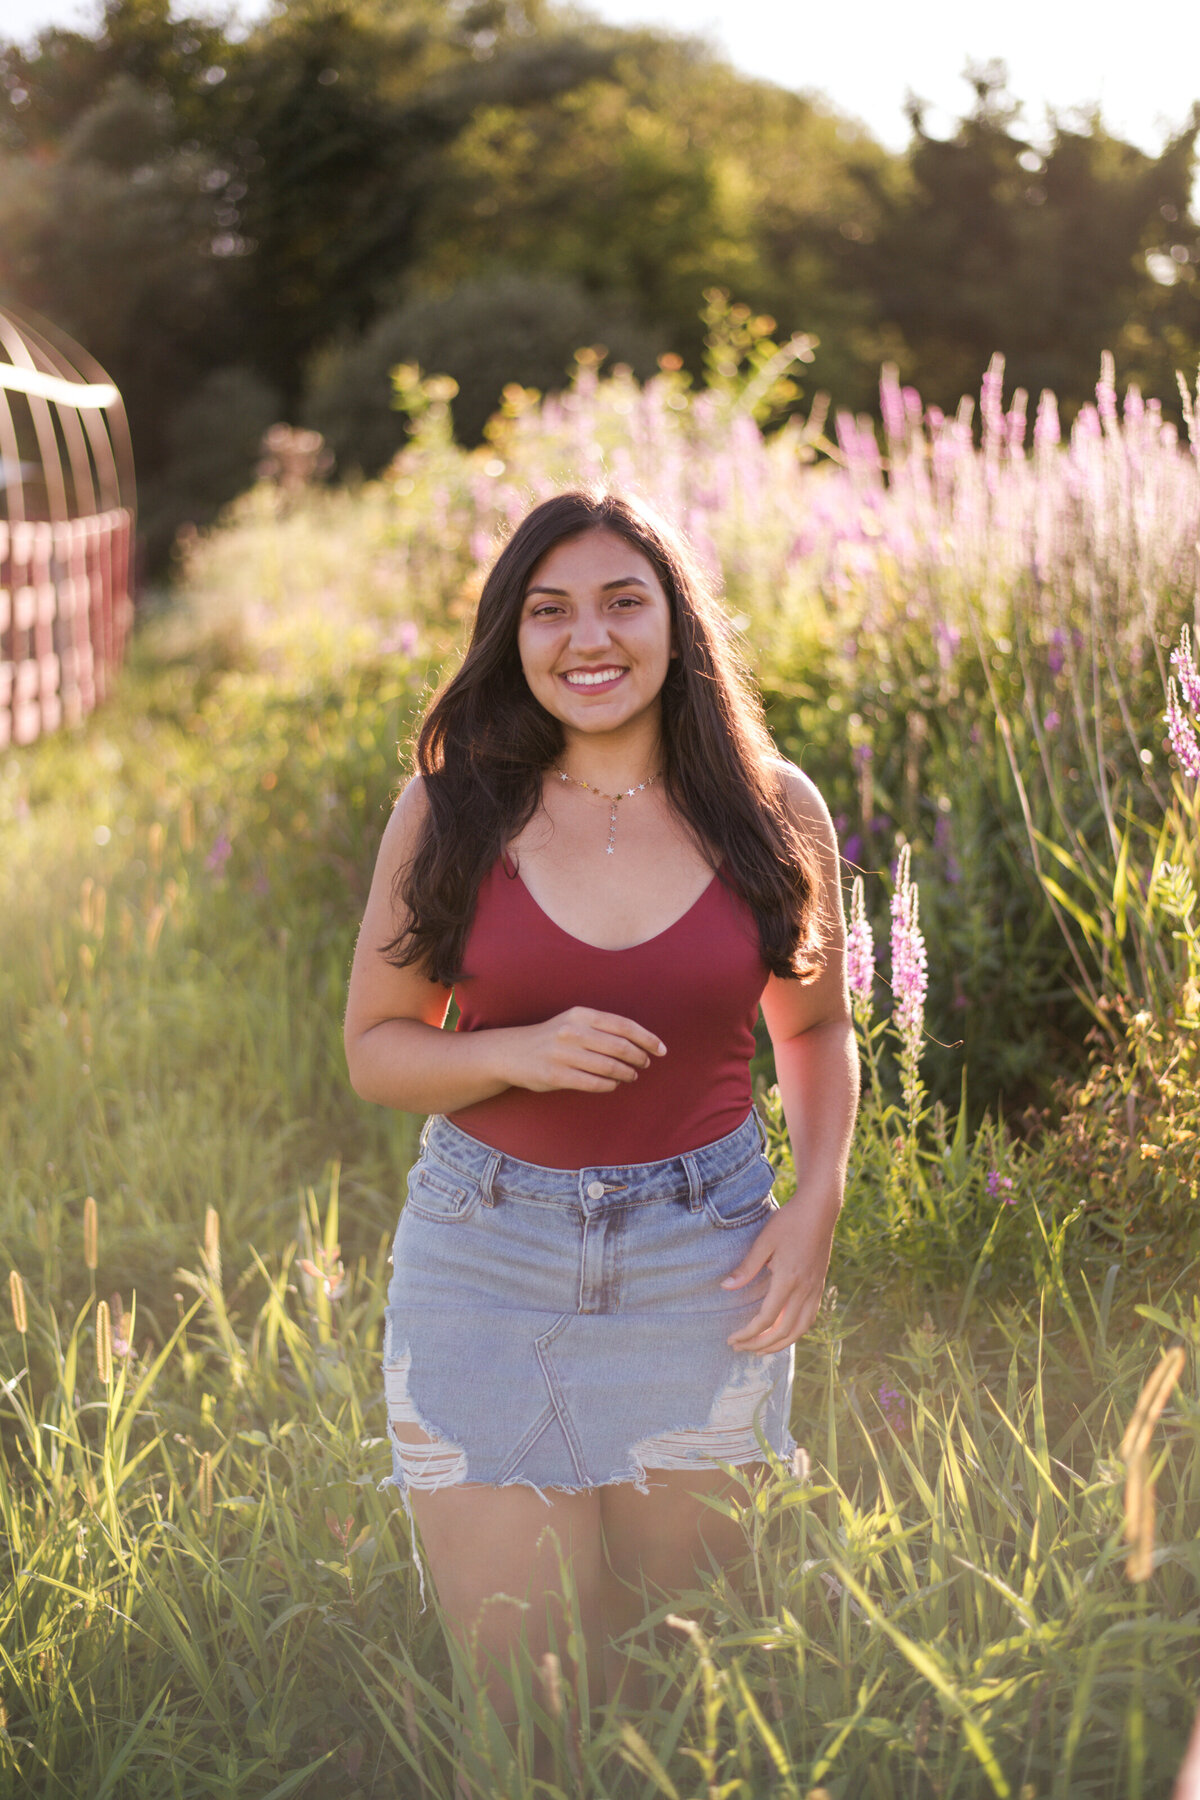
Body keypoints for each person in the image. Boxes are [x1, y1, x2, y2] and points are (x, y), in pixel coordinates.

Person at [343, 489, 858, 1755]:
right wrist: (518, 1051)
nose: (590, 637)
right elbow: (375, 1050)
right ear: (511, 639)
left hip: (708, 1259)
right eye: (549, 609)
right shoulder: (451, 811)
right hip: (485, 1263)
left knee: (692, 1689)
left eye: (624, 601)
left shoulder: (773, 808)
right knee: (530, 1717)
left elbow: (814, 1029)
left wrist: (819, 1195)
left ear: (677, 624)